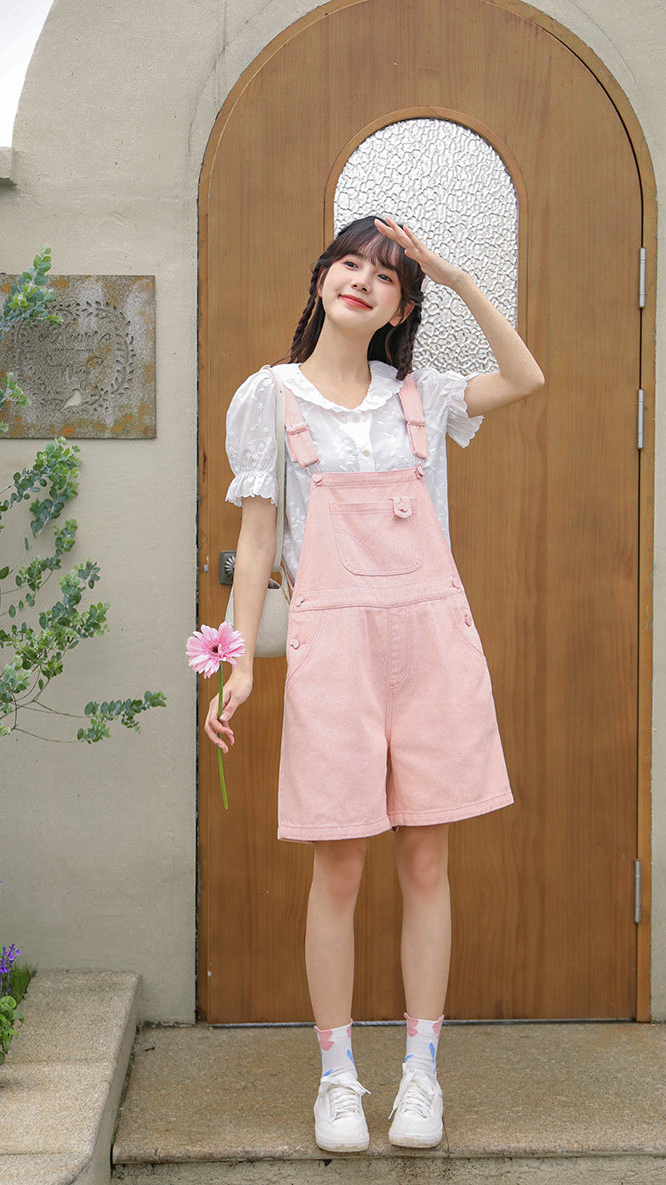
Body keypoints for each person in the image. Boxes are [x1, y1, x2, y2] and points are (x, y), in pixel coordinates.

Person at [205, 214, 545, 1153]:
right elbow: (258, 541)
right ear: (323, 278)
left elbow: (526, 377)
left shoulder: (422, 396)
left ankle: (421, 1072)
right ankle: (339, 1077)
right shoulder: (271, 398)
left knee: (428, 858)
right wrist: (237, 662)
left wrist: (457, 277)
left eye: (386, 275)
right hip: (335, 649)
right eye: (349, 263)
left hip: (431, 643)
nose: (361, 279)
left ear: (400, 306)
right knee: (340, 866)